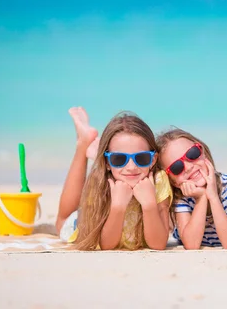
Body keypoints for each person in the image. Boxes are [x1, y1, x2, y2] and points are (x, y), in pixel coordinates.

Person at [55, 107, 172, 251]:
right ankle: (83, 144)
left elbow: (158, 244)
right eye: (119, 159)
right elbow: (107, 245)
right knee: (62, 221)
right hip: (81, 222)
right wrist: (118, 207)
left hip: (111, 166)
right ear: (107, 163)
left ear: (153, 160)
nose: (131, 167)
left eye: (141, 158)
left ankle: (103, 153)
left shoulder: (158, 181)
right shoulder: (101, 181)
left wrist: (149, 205)